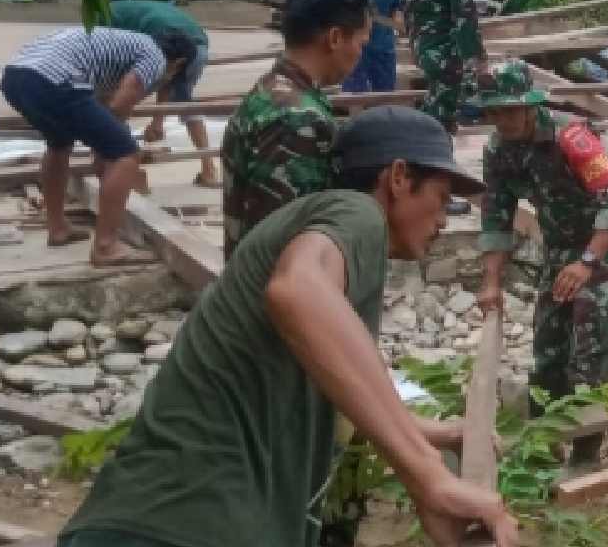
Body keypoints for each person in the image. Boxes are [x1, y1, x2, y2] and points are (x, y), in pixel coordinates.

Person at [56, 105, 519, 547]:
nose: (443, 219)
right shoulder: (356, 214)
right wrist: (429, 477)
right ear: (398, 178)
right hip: (181, 525)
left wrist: (428, 432)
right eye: (441, 198)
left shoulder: (328, 231)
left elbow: (329, 388)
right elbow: (297, 290)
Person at [475, 59, 608, 467]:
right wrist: (491, 281)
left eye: (509, 110)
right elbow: (496, 217)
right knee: (548, 348)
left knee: (592, 351)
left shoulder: (572, 138)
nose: (502, 120)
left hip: (601, 248)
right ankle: (543, 447)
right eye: (493, 112)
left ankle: (585, 454)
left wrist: (586, 264)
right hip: (559, 246)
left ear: (529, 105)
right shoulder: (498, 151)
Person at [1, 27, 195, 265]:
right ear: (178, 63)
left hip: (16, 77)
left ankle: (58, 228)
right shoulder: (155, 56)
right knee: (126, 154)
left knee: (59, 144)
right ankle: (106, 246)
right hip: (54, 78)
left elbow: (100, 105)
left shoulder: (127, 44)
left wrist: (103, 145)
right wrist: (108, 150)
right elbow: (123, 99)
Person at [221, 0, 371, 258]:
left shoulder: (270, 90)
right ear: (335, 38)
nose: (360, 55)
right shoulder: (297, 118)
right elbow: (288, 242)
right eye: (361, 43)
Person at [401, 0, 488, 215]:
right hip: (445, 48)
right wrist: (476, 59)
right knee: (442, 118)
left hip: (421, 43)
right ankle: (434, 190)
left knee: (431, 107)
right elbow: (464, 12)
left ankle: (415, 177)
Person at [108, 0, 220, 187]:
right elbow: (167, 80)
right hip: (198, 46)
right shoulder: (135, 6)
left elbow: (114, 64)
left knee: (124, 97)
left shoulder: (107, 12)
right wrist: (157, 120)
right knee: (185, 102)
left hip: (173, 44)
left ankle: (127, 167)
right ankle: (208, 168)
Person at [342, 0, 404, 94]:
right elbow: (341, 8)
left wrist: (398, 22)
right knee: (354, 94)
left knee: (385, 94)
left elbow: (396, 8)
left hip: (384, 48)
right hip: (359, 47)